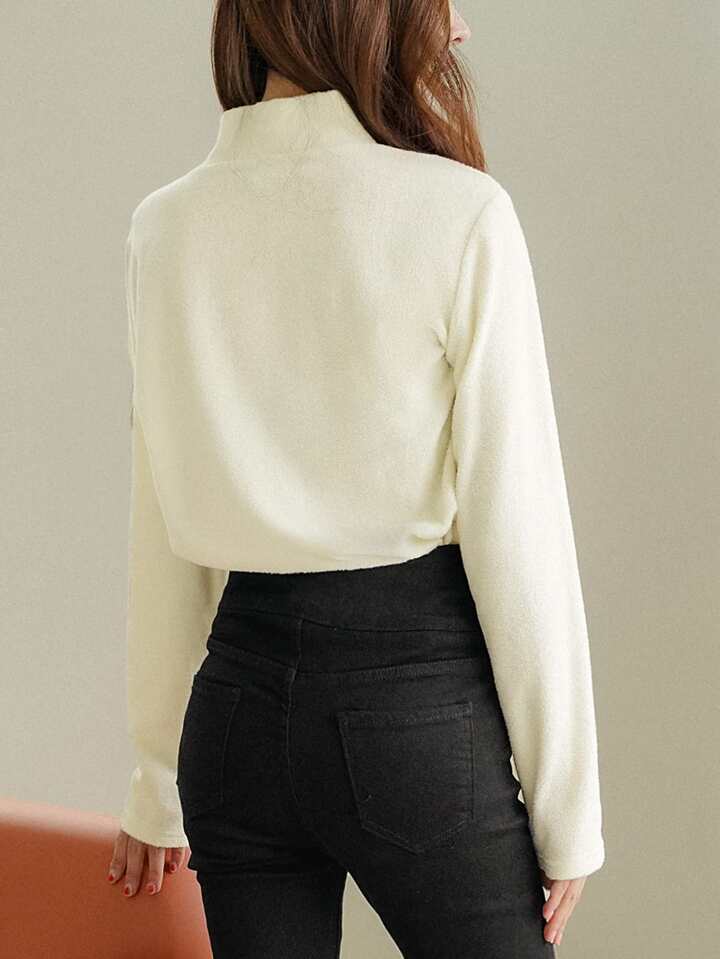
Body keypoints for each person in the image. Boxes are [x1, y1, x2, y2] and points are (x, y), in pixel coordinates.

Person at [106, 1, 606, 955]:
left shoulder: (164, 228)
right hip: (411, 711)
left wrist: (155, 779)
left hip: (233, 723)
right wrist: (567, 806)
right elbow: (519, 526)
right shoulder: (459, 215)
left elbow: (159, 521)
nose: (460, 29)